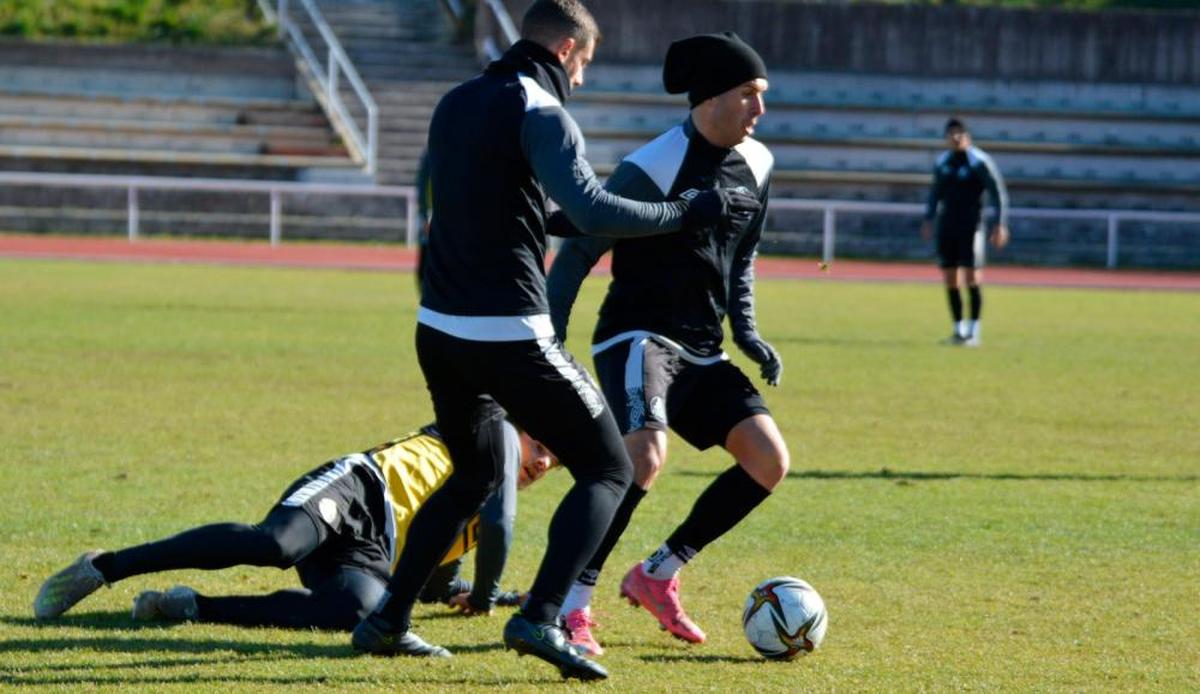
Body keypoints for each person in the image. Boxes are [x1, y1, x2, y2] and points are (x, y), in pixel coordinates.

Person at [348, 0, 759, 681]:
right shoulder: (543, 110)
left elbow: (507, 204)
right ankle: (540, 617)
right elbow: (596, 206)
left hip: (439, 329)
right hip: (507, 331)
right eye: (588, 63)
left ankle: (388, 619)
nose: (585, 78)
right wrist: (685, 210)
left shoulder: (457, 100)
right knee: (610, 468)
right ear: (568, 48)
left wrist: (562, 222)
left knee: (475, 473)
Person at [545, 32, 789, 657]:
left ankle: (656, 573)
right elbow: (578, 252)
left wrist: (748, 331)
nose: (760, 110)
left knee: (769, 461)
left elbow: (744, 257)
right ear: (710, 97)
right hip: (637, 335)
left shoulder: (757, 163)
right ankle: (572, 603)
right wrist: (547, 339)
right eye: (748, 95)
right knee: (643, 458)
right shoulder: (650, 167)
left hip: (704, 349)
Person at [32, 421, 556, 630]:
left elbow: (437, 581)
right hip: (356, 489)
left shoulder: (477, 518)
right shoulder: (494, 432)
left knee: (358, 611)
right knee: (275, 545)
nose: (543, 463)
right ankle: (104, 567)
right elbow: (501, 522)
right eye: (541, 448)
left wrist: (492, 595)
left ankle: (191, 606)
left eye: (554, 461)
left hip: (370, 551)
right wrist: (488, 593)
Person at [920, 117, 1010, 347]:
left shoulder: (979, 161)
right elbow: (935, 193)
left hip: (973, 227)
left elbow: (998, 193)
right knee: (951, 278)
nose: (956, 137)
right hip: (948, 225)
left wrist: (1000, 223)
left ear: (968, 135)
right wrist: (929, 218)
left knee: (972, 277)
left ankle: (974, 331)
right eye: (951, 133)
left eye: (960, 132)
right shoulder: (943, 162)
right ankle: (958, 330)